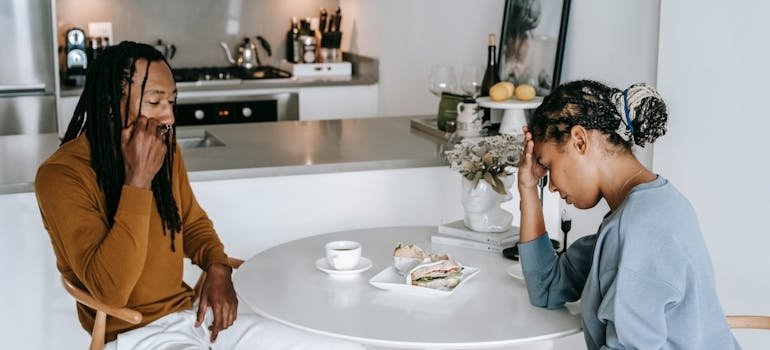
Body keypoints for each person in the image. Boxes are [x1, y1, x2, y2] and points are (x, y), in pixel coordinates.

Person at [35, 41, 363, 350]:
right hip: (135, 335)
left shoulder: (163, 150)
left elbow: (190, 223)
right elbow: (111, 291)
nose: (169, 117)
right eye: (154, 102)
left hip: (192, 316)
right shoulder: (63, 176)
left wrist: (218, 268)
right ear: (109, 104)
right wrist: (138, 179)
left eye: (172, 102)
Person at [515, 80, 740, 349]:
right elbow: (547, 287)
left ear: (579, 140)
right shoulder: (643, 211)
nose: (550, 185)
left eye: (549, 165)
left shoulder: (640, 227)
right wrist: (528, 189)